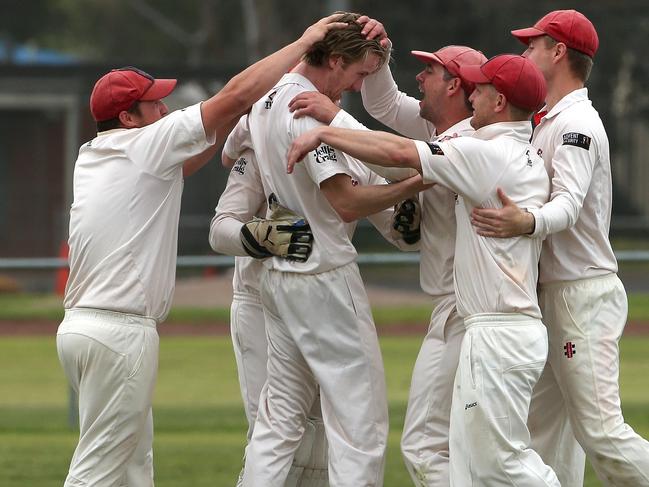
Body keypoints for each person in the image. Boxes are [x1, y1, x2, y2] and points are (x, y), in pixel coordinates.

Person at [55, 15, 348, 487]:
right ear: (129, 117)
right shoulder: (143, 145)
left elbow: (194, 155)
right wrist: (303, 44)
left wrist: (237, 121)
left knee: (132, 466)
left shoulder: (99, 154)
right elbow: (231, 95)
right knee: (98, 469)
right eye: (155, 104)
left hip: (83, 329)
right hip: (118, 332)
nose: (166, 107)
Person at [287, 54, 562, 485]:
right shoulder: (509, 150)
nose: (476, 93)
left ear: (499, 101)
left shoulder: (483, 152)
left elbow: (398, 154)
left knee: (458, 452)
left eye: (482, 86)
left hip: (488, 323)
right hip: (494, 322)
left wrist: (327, 129)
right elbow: (391, 116)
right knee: (472, 457)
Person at [232, 12, 429, 487]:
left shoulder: (265, 98)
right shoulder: (305, 108)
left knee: (277, 422)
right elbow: (345, 203)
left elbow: (234, 153)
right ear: (335, 61)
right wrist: (415, 185)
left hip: (280, 277)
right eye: (360, 74)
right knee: (359, 424)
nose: (360, 86)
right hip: (323, 275)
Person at [288, 17, 486, 484]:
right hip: (459, 307)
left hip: (465, 308)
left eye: (432, 71)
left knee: (424, 444)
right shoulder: (440, 129)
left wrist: (331, 121)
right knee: (471, 445)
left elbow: (394, 157)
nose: (420, 77)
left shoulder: (467, 140)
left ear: (456, 85)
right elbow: (382, 103)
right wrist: (381, 51)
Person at [470, 9, 649, 486]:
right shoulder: (548, 120)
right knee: (544, 436)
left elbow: (567, 206)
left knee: (602, 434)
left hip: (580, 296)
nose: (524, 52)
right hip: (554, 296)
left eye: (533, 45)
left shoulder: (578, 125)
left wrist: (524, 221)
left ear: (559, 51)